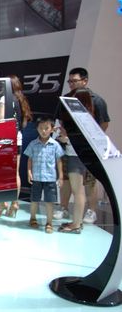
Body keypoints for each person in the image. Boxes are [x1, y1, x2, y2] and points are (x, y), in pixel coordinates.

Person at [58, 67, 110, 224]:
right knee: (67, 180)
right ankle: (64, 208)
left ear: (85, 81)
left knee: (90, 181)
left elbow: (104, 123)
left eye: (75, 81)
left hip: (89, 148)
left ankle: (91, 211)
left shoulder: (97, 100)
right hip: (69, 147)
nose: (72, 84)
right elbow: (60, 120)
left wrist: (92, 138)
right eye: (70, 81)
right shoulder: (65, 99)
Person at [56, 88, 95, 233]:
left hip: (75, 155)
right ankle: (76, 221)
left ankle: (76, 224)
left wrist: (66, 139)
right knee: (78, 190)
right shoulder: (87, 116)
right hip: (78, 155)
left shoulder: (80, 117)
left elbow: (78, 139)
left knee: (78, 190)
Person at [0, 75, 33, 218]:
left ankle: (2, 203)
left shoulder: (5, 99)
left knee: (3, 174)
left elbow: (0, 119)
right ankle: (14, 203)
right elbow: (23, 124)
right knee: (15, 173)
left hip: (5, 140)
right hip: (17, 138)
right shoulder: (21, 100)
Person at [23, 117, 64, 234]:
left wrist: (60, 176)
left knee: (49, 201)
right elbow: (29, 159)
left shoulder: (55, 145)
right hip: (36, 177)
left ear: (51, 129)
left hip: (50, 178)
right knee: (34, 199)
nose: (44, 131)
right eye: (41, 128)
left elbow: (59, 161)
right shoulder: (33, 144)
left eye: (46, 128)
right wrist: (29, 172)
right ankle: (33, 218)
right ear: (37, 129)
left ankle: (49, 223)